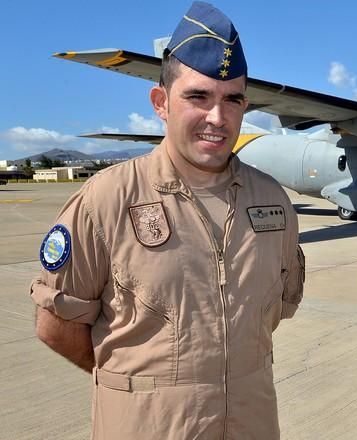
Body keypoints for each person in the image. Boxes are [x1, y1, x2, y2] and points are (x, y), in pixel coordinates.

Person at [30, 2, 305, 438]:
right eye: (198, 96)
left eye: (232, 100)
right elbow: (56, 325)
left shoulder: (271, 200)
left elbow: (270, 315)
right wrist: (143, 389)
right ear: (161, 102)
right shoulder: (107, 198)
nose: (217, 118)